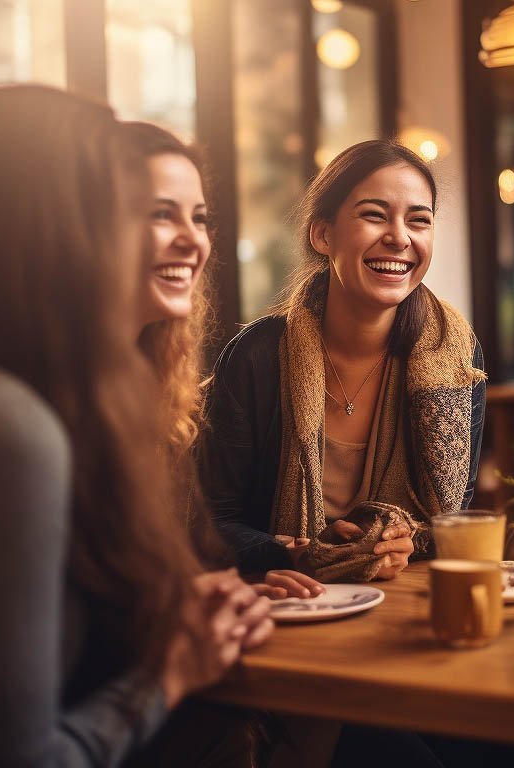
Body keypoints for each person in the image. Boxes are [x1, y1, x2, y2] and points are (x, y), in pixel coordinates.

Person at [0, 85, 272, 766]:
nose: (161, 239)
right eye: (121, 211)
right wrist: (175, 670)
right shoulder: (0, 429)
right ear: (43, 225)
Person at [198, 139, 486, 579]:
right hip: (287, 607)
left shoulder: (457, 358)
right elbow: (211, 522)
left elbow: (452, 521)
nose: (399, 237)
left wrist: (409, 542)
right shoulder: (258, 357)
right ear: (323, 234)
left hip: (407, 611)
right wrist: (287, 555)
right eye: (374, 215)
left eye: (419, 220)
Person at [125, 120, 324, 602]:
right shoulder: (42, 408)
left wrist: (221, 589)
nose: (193, 240)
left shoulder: (143, 383)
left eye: (199, 219)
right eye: (161, 214)